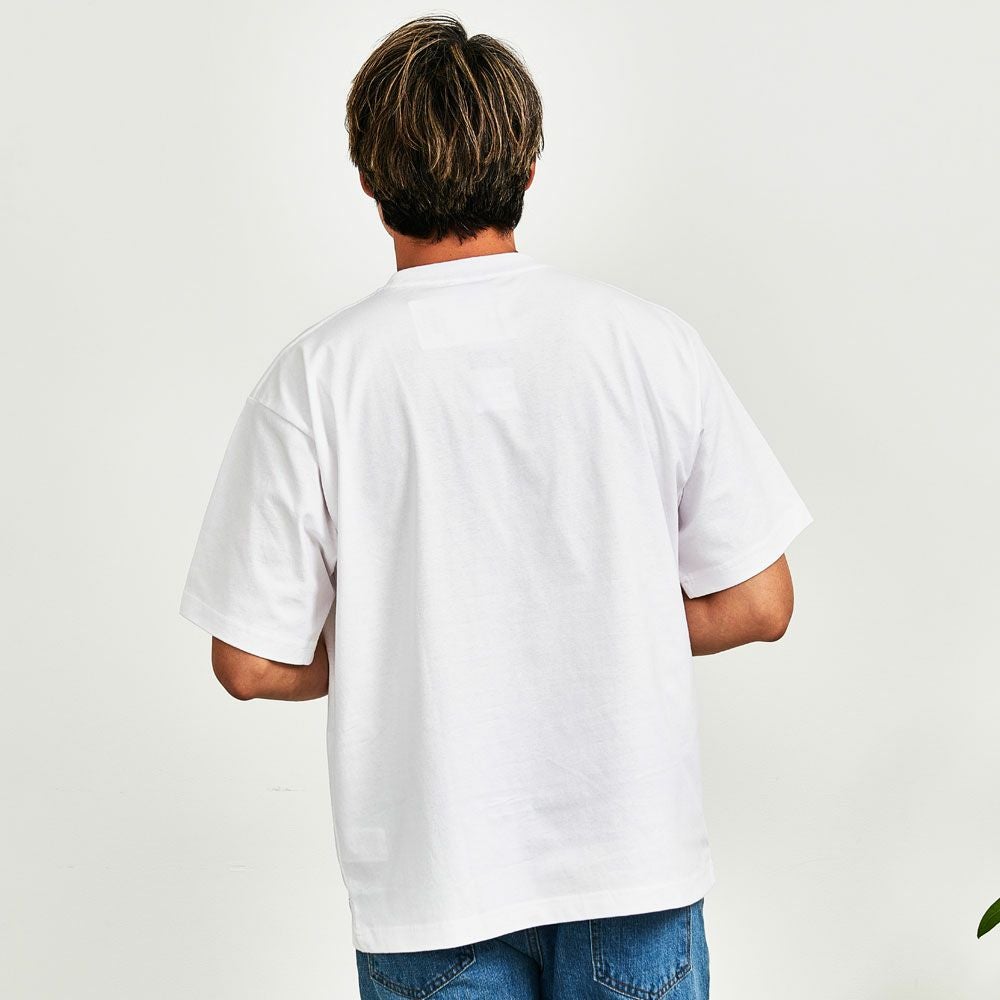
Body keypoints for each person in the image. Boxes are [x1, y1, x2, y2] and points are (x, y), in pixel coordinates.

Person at [179, 14, 813, 999]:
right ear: (527, 165)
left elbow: (250, 662)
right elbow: (759, 604)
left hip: (436, 883)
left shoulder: (317, 379)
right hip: (632, 863)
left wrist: (411, 642)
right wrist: (594, 620)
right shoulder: (649, 346)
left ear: (367, 178)